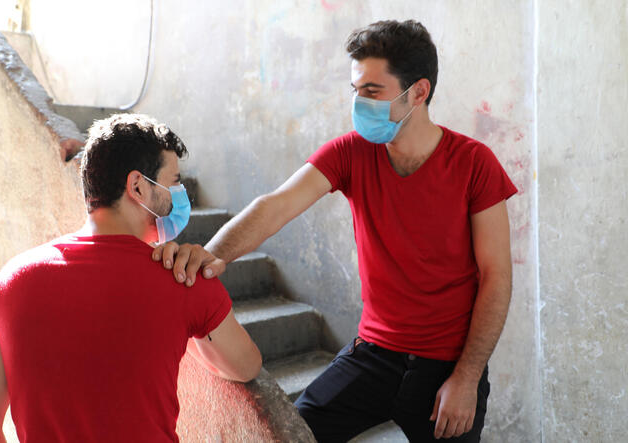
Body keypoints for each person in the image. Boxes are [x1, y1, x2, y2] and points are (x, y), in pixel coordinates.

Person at [153, 19, 517, 442]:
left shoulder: (475, 164)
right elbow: (276, 205)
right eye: (356, 90)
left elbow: (497, 278)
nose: (359, 103)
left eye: (372, 92)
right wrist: (212, 255)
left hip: (449, 366)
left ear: (419, 92)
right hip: (373, 356)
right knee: (290, 434)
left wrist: (467, 377)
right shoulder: (352, 153)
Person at [0, 114, 261, 443]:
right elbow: (246, 366)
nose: (180, 193)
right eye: (174, 181)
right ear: (137, 186)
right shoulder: (184, 278)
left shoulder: (10, 281)